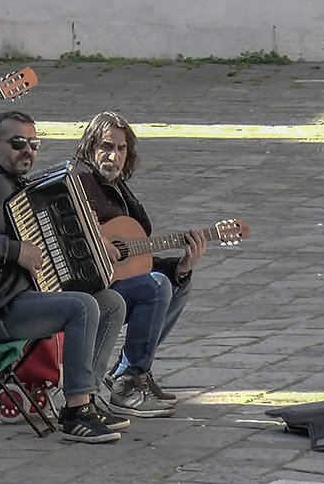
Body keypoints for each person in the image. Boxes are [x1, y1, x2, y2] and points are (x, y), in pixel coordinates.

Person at [0, 110, 128, 444]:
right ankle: (75, 412)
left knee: (112, 302)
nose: (27, 150)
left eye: (33, 143)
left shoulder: (12, 183)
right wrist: (13, 251)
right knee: (83, 306)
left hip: (14, 296)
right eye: (17, 143)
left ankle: (87, 398)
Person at [72, 111, 248, 415]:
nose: (113, 156)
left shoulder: (118, 190)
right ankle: (127, 385)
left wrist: (183, 265)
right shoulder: (77, 183)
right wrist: (94, 240)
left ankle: (129, 372)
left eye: (121, 149)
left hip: (114, 284)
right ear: (90, 148)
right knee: (157, 285)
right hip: (86, 291)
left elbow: (139, 258)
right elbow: (60, 224)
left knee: (177, 282)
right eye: (106, 146)